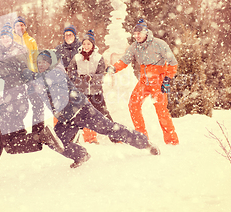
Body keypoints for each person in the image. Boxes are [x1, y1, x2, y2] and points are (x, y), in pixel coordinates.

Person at [29, 50, 160, 169]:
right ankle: (81, 155)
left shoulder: (56, 73)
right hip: (67, 120)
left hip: (82, 111)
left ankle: (145, 143)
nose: (41, 64)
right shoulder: (40, 82)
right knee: (54, 142)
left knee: (110, 129)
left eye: (44, 62)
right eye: (39, 62)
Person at [0, 24, 64, 185]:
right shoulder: (4, 57)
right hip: (14, 104)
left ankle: (41, 137)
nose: (4, 40)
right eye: (2, 38)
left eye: (7, 37)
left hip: (13, 105)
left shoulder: (10, 57)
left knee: (9, 145)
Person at [107, 19, 179, 145]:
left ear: (146, 32)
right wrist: (114, 67)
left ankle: (172, 141)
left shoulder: (159, 44)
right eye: (135, 34)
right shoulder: (134, 47)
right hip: (144, 81)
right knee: (133, 105)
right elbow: (125, 60)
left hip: (158, 80)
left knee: (161, 110)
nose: (137, 36)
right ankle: (142, 137)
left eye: (139, 33)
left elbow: (173, 62)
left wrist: (167, 79)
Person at [68, 29, 113, 144]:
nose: (86, 46)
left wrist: (91, 78)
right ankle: (73, 138)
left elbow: (101, 74)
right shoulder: (77, 57)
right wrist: (79, 80)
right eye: (84, 44)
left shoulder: (98, 58)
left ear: (93, 45)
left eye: (88, 43)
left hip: (95, 91)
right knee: (76, 114)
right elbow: (71, 72)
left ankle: (116, 137)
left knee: (103, 113)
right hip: (80, 90)